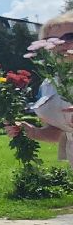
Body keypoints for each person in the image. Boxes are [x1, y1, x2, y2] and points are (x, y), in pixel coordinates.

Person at [6, 12, 73, 168]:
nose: (60, 44)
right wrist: (33, 132)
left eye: (69, 37)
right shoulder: (50, 84)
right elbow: (61, 132)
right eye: (51, 40)